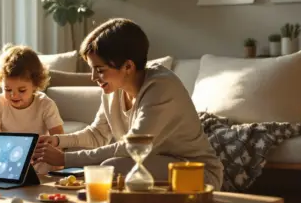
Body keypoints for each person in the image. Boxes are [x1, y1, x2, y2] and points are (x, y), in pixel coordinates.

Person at [32, 18, 223, 188]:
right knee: (109, 170)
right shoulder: (113, 90)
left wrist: (66, 158)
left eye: (99, 69)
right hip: (153, 165)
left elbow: (132, 147)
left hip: (196, 171)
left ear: (128, 66)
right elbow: (97, 134)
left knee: (112, 168)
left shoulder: (161, 87)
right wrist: (57, 141)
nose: (92, 77)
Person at [0, 44, 64, 175]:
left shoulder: (46, 104)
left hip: (39, 162)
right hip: (7, 160)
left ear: (35, 85)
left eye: (21, 90)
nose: (13, 95)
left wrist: (59, 163)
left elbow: (59, 138)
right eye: (7, 89)